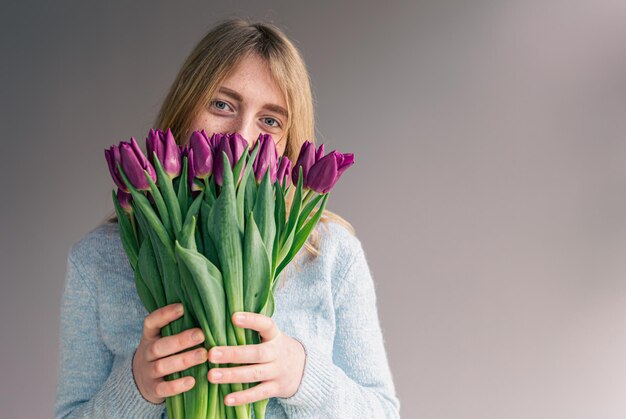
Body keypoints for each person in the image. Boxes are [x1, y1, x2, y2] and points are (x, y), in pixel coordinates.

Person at [54, 18, 400, 418]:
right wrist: (137, 387)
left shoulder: (331, 257)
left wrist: (300, 375)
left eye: (270, 121)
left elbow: (382, 413)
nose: (242, 136)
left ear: (288, 143)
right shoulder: (98, 260)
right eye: (222, 105)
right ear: (185, 110)